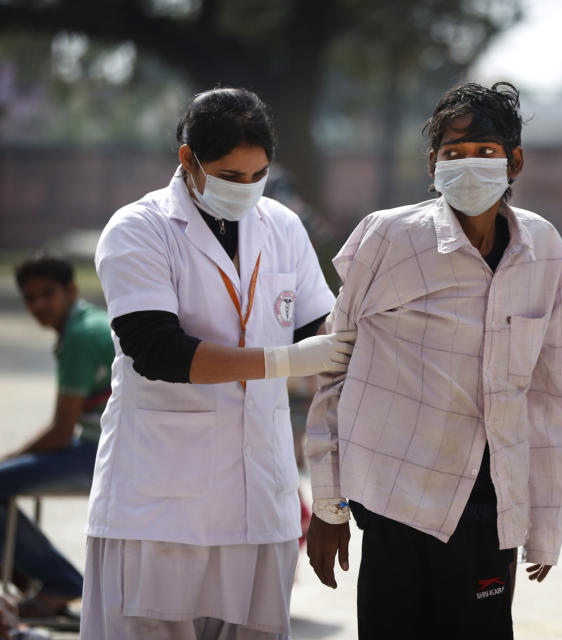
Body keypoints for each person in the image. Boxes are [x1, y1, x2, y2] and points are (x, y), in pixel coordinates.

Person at [80, 87, 356, 640]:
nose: (248, 190)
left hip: (260, 495)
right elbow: (158, 352)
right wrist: (286, 360)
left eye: (258, 176)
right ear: (189, 160)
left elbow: (317, 328)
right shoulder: (139, 230)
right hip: (160, 503)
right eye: (231, 176)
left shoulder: (281, 225)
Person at [304, 81, 562, 639]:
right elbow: (337, 367)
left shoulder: (543, 250)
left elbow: (545, 393)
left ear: (514, 159)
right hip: (392, 499)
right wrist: (329, 507)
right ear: (432, 165)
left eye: (485, 152)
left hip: (485, 504)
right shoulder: (389, 237)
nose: (468, 166)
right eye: (453, 154)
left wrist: (544, 520)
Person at [0, 255, 113, 624]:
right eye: (30, 298)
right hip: (107, 447)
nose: (38, 306)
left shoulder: (80, 336)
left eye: (48, 294)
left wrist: (10, 457)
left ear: (71, 291)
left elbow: (60, 433)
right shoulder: (89, 323)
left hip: (104, 454)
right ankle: (41, 582)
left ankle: (59, 582)